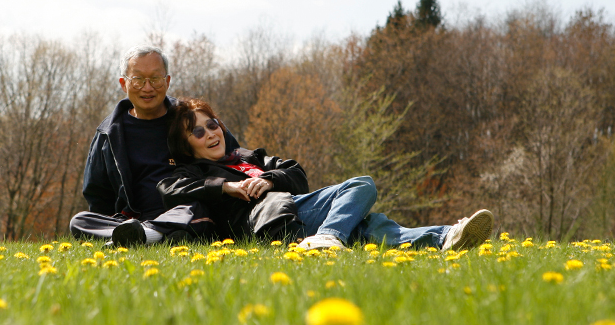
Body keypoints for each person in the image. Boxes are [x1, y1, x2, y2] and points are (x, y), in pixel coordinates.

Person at [157, 98, 494, 251]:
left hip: (298, 206)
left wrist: (269, 178)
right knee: (361, 190)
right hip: (271, 222)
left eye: (211, 124)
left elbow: (295, 172)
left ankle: (447, 237)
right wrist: (227, 187)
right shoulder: (193, 171)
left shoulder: (249, 157)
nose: (210, 133)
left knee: (368, 224)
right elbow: (170, 188)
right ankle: (333, 234)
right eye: (197, 132)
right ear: (187, 146)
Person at [69, 45, 239, 246]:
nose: (147, 88)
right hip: (135, 219)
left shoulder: (193, 119)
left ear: (167, 81)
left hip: (188, 210)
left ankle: (148, 236)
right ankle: (143, 235)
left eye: (155, 79)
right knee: (80, 221)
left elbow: (235, 158)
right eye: (138, 80)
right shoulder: (108, 134)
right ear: (124, 84)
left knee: (193, 208)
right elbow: (98, 196)